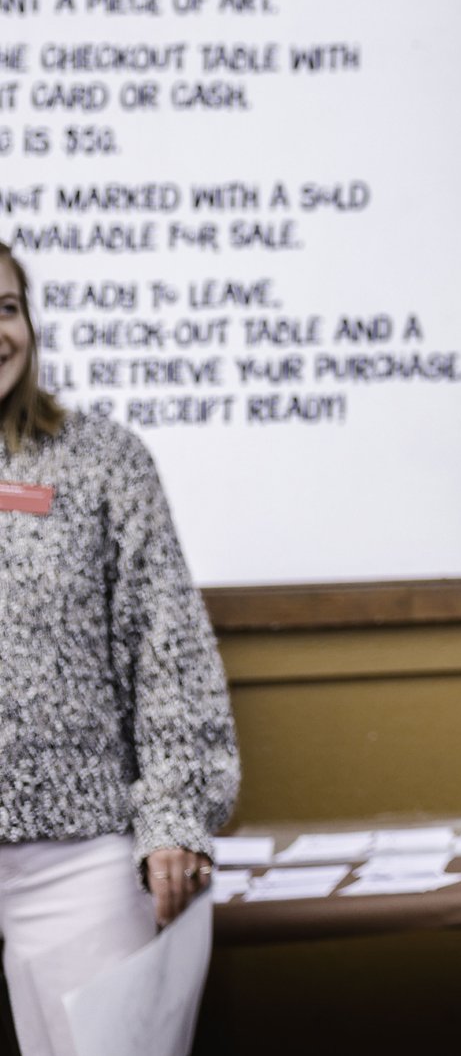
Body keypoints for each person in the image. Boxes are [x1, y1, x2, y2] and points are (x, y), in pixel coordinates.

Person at [0, 242, 238, 1056]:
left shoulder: (105, 461)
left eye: (6, 307)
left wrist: (175, 812)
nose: (0, 329)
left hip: (73, 856)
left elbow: (167, 646)